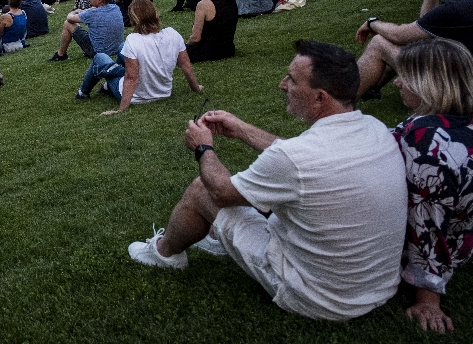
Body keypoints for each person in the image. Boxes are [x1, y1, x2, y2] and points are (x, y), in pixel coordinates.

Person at [127, 41, 407, 323]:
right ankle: (217, 237)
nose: (282, 84)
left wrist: (203, 148)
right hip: (377, 288)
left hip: (320, 298)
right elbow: (303, 160)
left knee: (203, 190)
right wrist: (243, 130)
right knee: (264, 195)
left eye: (293, 80)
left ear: (320, 98)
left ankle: (164, 253)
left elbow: (221, 192)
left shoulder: (294, 159)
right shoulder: (374, 129)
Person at [390, 38, 473, 333]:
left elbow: (428, 223)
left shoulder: (427, 142)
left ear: (427, 82)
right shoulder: (451, 124)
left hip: (444, 245)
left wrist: (428, 300)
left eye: (406, 77)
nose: (397, 83)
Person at [355, 0, 473, 98]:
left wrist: (372, 23)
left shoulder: (457, 8)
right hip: (464, 75)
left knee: (380, 43)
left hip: (461, 89)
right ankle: (371, 89)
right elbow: (428, 26)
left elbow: (400, 35)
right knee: (413, 48)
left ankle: (341, 102)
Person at [79, 0, 202, 109]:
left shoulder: (133, 40)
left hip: (137, 97)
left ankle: (83, 92)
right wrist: (195, 87)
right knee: (122, 48)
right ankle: (108, 85)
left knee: (100, 58)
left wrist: (121, 109)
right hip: (164, 91)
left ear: (133, 20)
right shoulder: (172, 34)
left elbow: (131, 78)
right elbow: (186, 65)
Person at [51, 0, 126, 61]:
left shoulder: (92, 13)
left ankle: (60, 54)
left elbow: (69, 18)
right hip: (116, 49)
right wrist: (85, 11)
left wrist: (75, 11)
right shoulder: (115, 8)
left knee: (67, 24)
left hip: (97, 52)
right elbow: (96, 11)